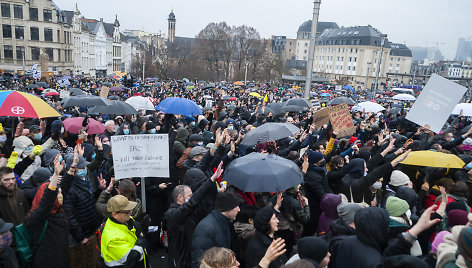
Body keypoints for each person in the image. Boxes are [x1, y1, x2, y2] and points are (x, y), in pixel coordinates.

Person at [164, 163, 222, 268]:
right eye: (190, 196)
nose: (192, 197)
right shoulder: (173, 215)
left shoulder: (184, 210)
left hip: (188, 254)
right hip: (180, 259)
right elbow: (193, 202)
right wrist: (211, 179)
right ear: (180, 197)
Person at [25, 154, 73, 268]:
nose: (60, 196)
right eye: (58, 194)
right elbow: (46, 202)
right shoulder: (39, 217)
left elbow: (65, 187)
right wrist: (55, 175)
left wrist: (73, 167)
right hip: (47, 261)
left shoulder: (58, 212)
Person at [191, 192, 241, 268]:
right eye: (235, 206)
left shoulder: (224, 222)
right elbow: (198, 261)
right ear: (226, 208)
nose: (239, 210)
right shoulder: (206, 228)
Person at [100, 195, 148, 268]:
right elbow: (131, 258)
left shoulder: (125, 219)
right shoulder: (113, 238)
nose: (131, 212)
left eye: (131, 209)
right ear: (115, 214)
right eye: (127, 211)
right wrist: (140, 240)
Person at [246, 198, 287, 268]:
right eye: (274, 219)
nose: (278, 221)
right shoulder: (256, 248)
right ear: (266, 223)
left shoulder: (272, 235)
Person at [303, 151, 331, 236]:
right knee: (310, 229)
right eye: (321, 159)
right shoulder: (312, 176)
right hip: (314, 208)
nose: (323, 160)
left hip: (319, 206)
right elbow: (321, 193)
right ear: (316, 162)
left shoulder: (319, 172)